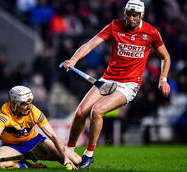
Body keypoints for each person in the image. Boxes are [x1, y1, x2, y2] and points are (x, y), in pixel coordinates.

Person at [61, 0, 171, 169]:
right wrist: (74, 59)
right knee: (80, 112)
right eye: (128, 14)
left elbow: (166, 57)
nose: (131, 18)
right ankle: (69, 150)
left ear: (142, 15)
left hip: (129, 85)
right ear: (124, 12)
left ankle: (89, 155)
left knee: (97, 111)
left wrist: (163, 79)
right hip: (107, 79)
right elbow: (91, 44)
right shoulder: (114, 25)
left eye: (135, 15)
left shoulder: (151, 32)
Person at [0, 86, 81, 169]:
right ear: (14, 103)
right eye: (24, 104)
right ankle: (25, 165)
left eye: (30, 103)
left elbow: (53, 136)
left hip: (35, 143)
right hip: (13, 147)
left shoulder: (35, 112)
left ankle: (65, 157)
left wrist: (65, 158)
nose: (28, 107)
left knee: (77, 160)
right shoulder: (5, 115)